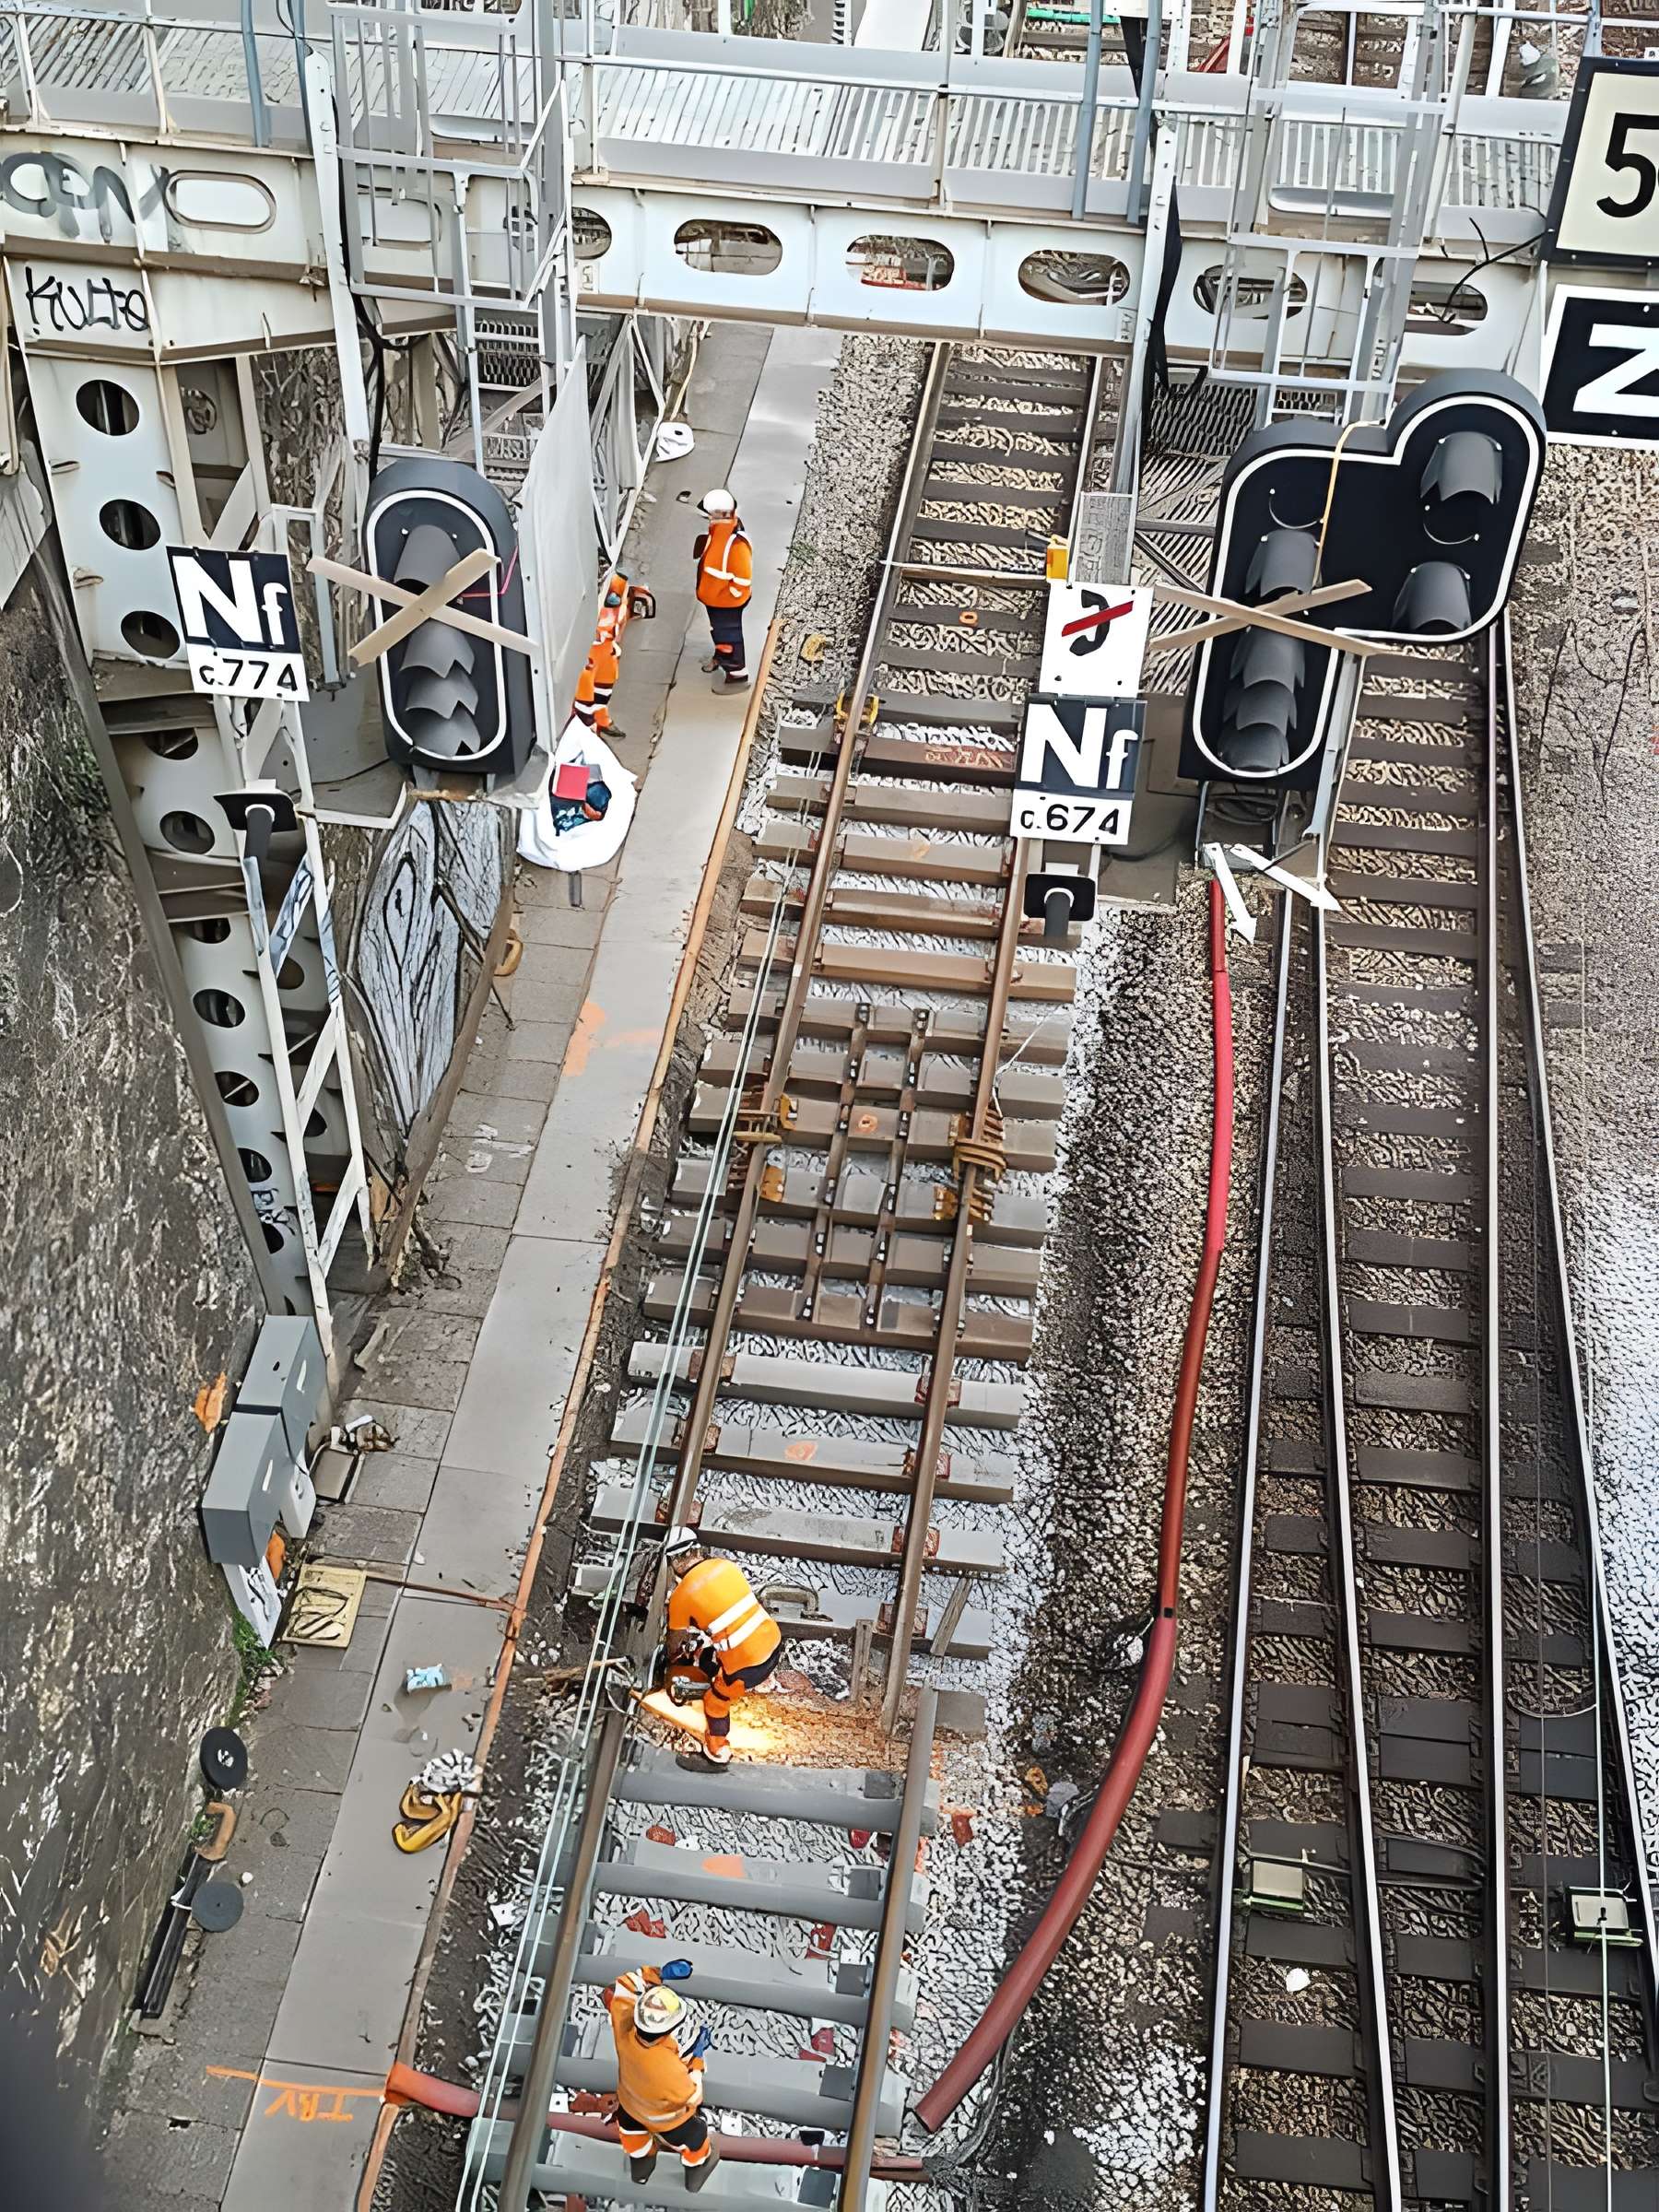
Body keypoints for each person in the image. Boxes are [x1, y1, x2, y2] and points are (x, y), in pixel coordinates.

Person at [661, 1526, 782, 1769]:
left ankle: (717, 1752)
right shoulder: (726, 1566)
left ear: (674, 1561)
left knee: (715, 1702)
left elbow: (675, 1644)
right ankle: (758, 1679)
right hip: (774, 1642)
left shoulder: (681, 1597)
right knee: (711, 1654)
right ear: (697, 1550)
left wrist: (674, 1661)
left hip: (748, 1667)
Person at [603, 1959, 720, 2189]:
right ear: (669, 2029)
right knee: (696, 2137)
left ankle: (641, 2171)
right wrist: (697, 2060)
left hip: (629, 2108)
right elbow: (692, 2096)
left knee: (635, 2143)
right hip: (668, 2123)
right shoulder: (667, 2066)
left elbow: (624, 1985)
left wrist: (657, 1974)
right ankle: (696, 2173)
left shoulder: (623, 2026)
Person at [692, 488, 752, 693]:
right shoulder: (718, 533)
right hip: (715, 599)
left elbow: (742, 579)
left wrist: (728, 596)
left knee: (729, 636)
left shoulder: (737, 544)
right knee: (718, 631)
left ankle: (736, 674)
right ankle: (721, 656)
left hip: (726, 603)